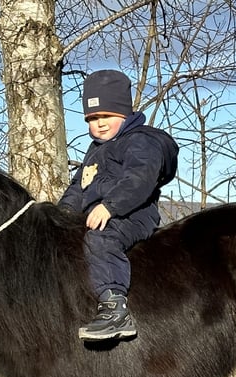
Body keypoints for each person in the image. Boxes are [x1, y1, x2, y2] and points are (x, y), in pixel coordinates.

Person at [59, 70, 179, 341]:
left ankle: (115, 310)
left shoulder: (142, 140)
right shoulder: (96, 151)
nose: (99, 124)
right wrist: (61, 217)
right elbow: (78, 188)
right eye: (92, 118)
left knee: (101, 240)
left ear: (124, 113)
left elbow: (139, 179)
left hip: (132, 213)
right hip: (100, 214)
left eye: (106, 116)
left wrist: (110, 206)